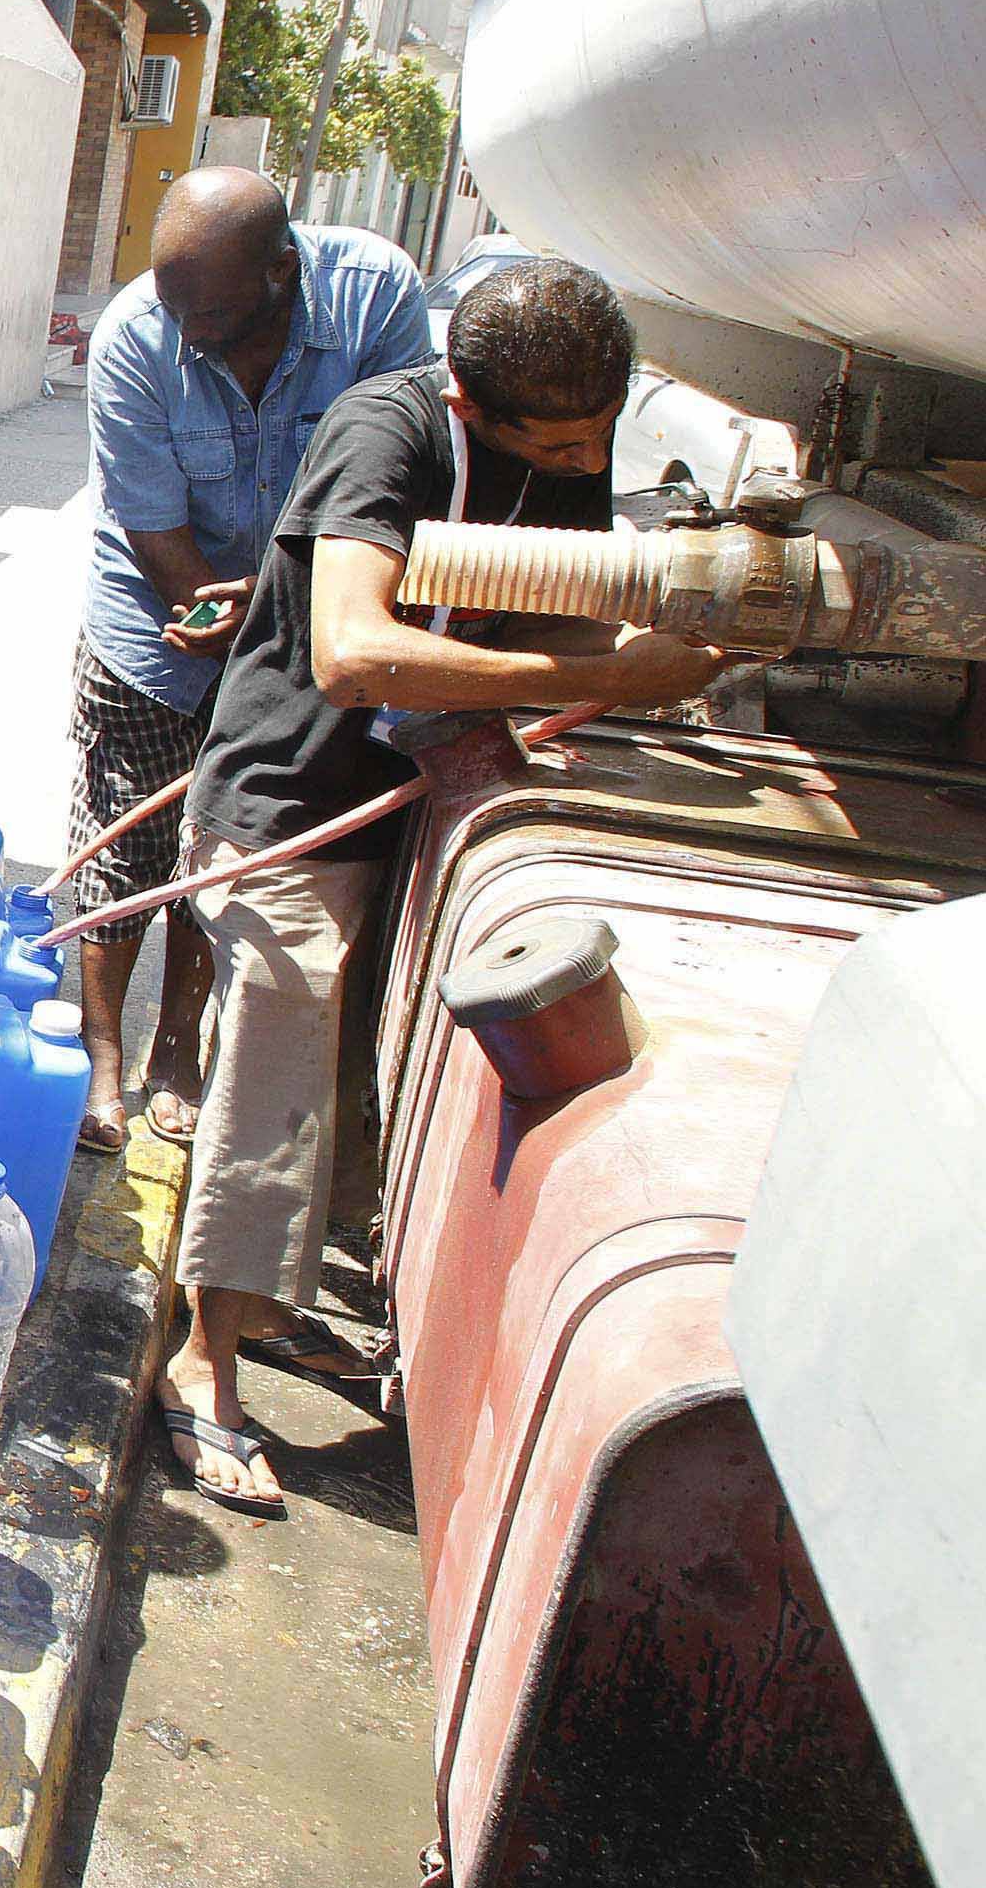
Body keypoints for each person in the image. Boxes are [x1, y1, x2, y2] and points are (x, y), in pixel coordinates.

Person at [158, 258, 722, 1512]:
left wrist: (658, 641)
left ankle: (271, 1309)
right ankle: (200, 1365)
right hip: (291, 802)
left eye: (598, 430)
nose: (582, 454)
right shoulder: (388, 431)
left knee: (356, 1084)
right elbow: (351, 649)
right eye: (557, 436)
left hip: (398, 789)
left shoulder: (561, 451)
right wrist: (599, 677)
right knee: (272, 1089)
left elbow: (555, 615)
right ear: (469, 403)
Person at [70, 169, 431, 1155]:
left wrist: (278, 619)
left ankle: (175, 1048)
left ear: (284, 271)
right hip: (159, 620)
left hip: (315, 615)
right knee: (121, 842)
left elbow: (404, 481)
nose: (190, 336)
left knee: (221, 837)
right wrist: (212, 606)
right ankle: (102, 1063)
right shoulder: (137, 337)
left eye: (215, 316)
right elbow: (149, 519)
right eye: (176, 310)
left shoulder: (375, 300)